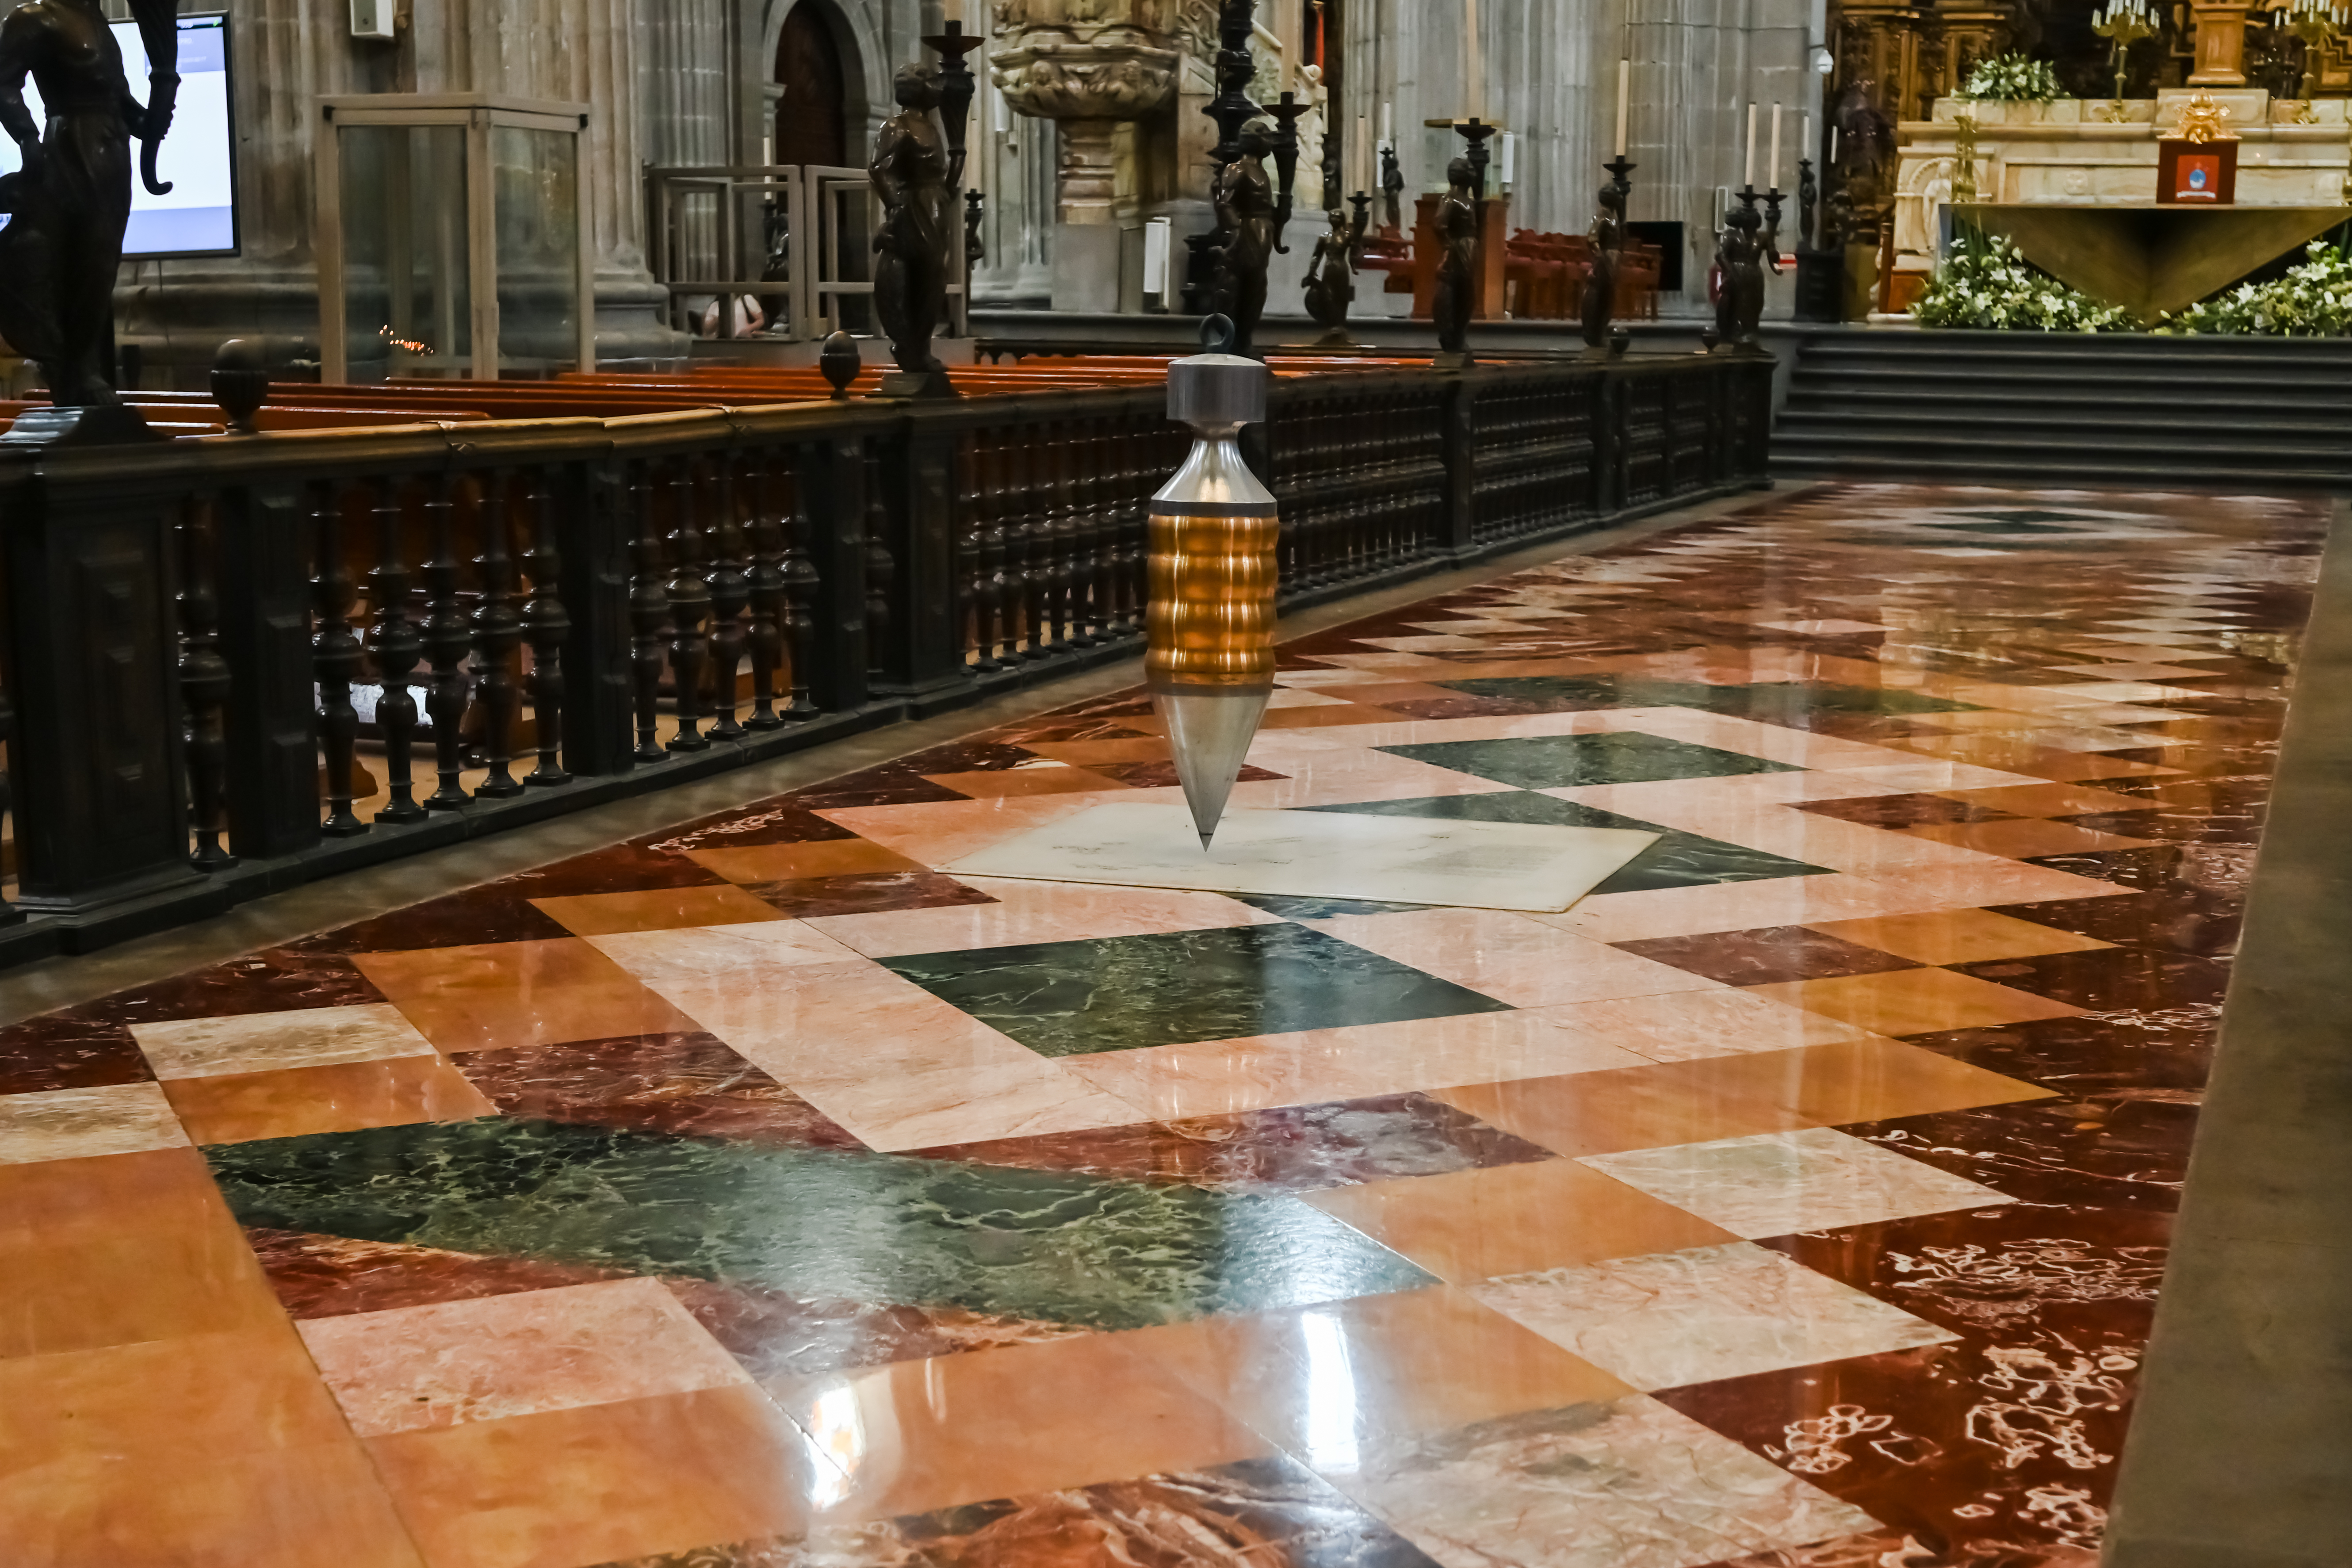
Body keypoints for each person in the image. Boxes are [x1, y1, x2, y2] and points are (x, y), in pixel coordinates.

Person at [0, 0, 175, 408]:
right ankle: (76, 371)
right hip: (71, 150)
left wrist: (148, 120)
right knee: (82, 263)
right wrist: (26, 136)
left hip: (112, 155)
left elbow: (117, 96)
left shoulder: (97, 21)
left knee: (103, 263)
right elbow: (3, 81)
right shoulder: (37, 19)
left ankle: (83, 369)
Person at [869, 62, 950, 375]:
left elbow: (944, 175)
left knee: (933, 279)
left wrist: (957, 159)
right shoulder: (896, 126)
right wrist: (893, 206)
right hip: (914, 202)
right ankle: (909, 345)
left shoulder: (931, 127)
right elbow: (878, 169)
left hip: (935, 202)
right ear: (917, 88)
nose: (937, 87)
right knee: (925, 276)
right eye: (932, 80)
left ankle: (920, 347)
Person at [1212, 122, 1277, 356]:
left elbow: (1266, 206)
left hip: (1262, 231)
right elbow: (1224, 202)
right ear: (1253, 140)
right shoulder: (1238, 169)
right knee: (1239, 286)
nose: (1271, 142)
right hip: (1247, 230)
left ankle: (1245, 338)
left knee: (1257, 287)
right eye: (1267, 137)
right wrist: (1236, 231)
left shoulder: (1263, 171)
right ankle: (1233, 340)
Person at [1432, 156, 1477, 356]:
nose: (1474, 174)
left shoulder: (1468, 200)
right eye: (1470, 170)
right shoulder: (1449, 199)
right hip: (1458, 248)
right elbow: (1439, 225)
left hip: (1468, 248)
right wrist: (1449, 248)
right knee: (1451, 291)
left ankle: (1460, 335)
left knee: (1467, 293)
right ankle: (1449, 336)